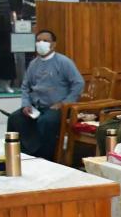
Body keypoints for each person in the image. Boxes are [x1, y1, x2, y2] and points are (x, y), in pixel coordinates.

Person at [7, 29, 84, 158]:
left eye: (45, 41)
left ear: (53, 44)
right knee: (15, 118)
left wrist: (64, 103)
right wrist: (25, 104)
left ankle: (45, 157)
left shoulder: (63, 62)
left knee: (46, 122)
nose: (41, 43)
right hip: (36, 107)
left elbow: (78, 83)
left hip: (57, 108)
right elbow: (25, 87)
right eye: (38, 41)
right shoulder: (33, 64)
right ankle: (21, 155)